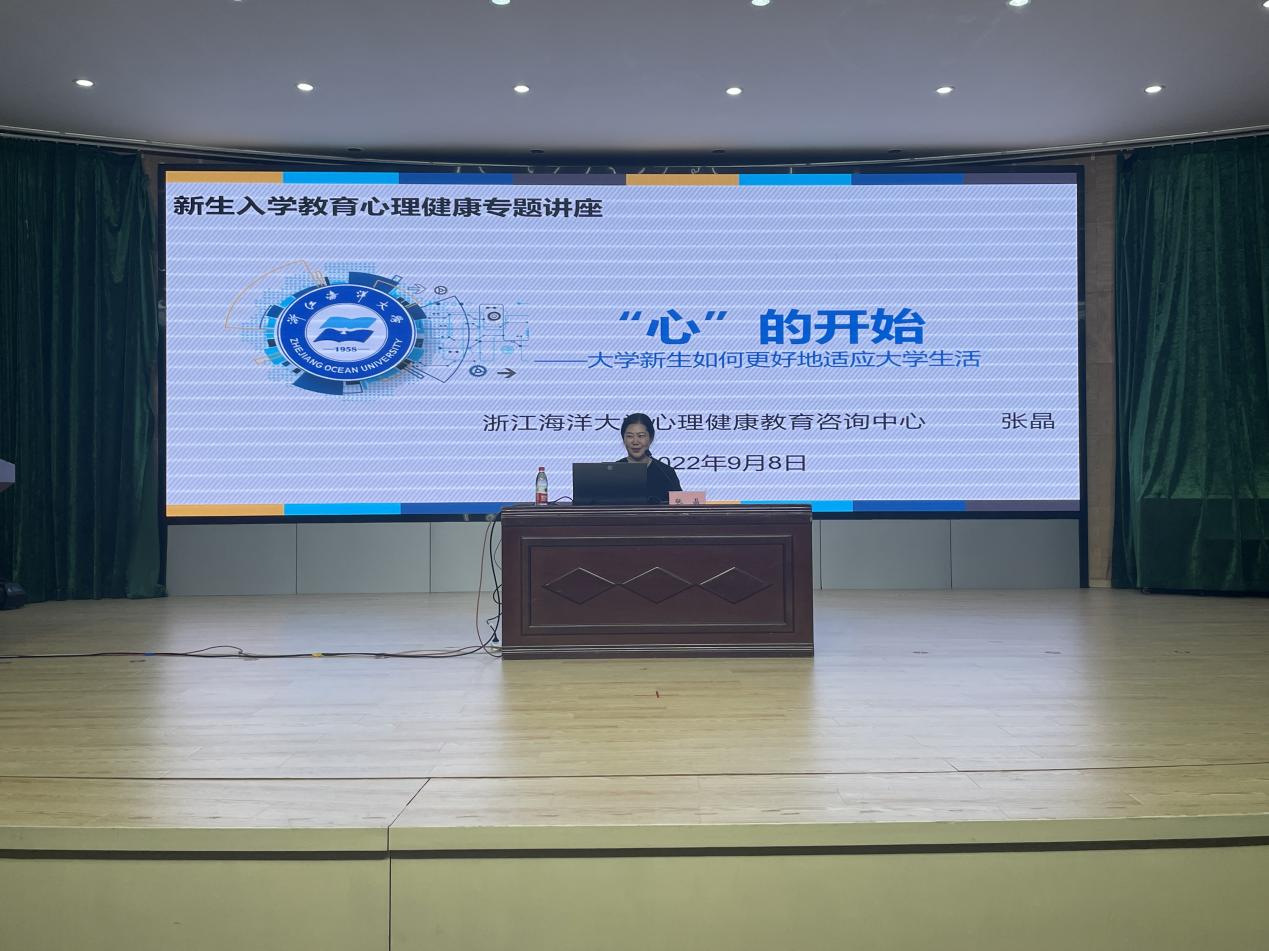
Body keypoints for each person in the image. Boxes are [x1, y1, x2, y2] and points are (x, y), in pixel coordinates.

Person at [616, 413, 682, 503]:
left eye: (641, 436)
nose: (635, 442)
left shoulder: (666, 473)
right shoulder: (613, 472)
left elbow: (680, 505)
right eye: (629, 436)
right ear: (623, 439)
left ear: (651, 438)